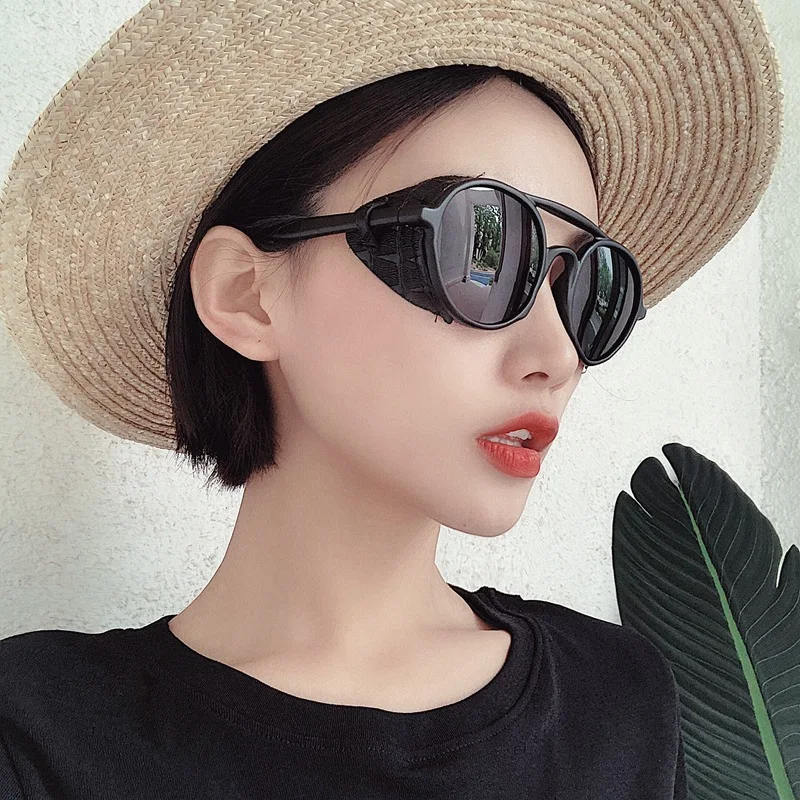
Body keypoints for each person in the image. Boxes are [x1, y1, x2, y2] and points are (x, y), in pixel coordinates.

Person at [0, 0, 783, 797]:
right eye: (482, 252)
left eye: (586, 289)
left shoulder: (617, 701)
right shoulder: (39, 735)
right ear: (247, 296)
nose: (557, 355)